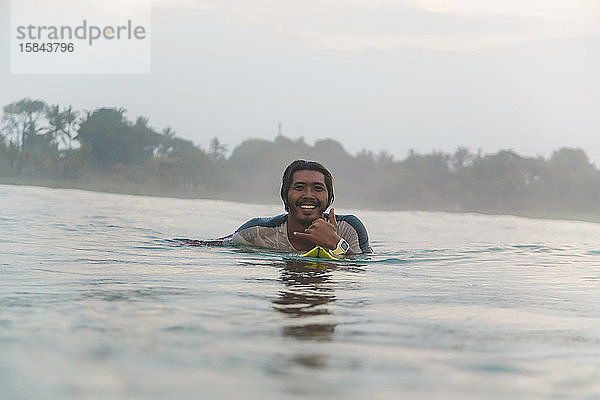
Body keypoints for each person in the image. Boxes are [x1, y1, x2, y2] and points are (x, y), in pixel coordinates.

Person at [223, 160, 371, 256]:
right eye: (299, 188)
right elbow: (214, 246)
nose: (308, 195)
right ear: (285, 195)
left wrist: (336, 243)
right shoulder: (258, 231)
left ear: (329, 198)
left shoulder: (348, 227)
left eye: (318, 188)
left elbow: (362, 267)